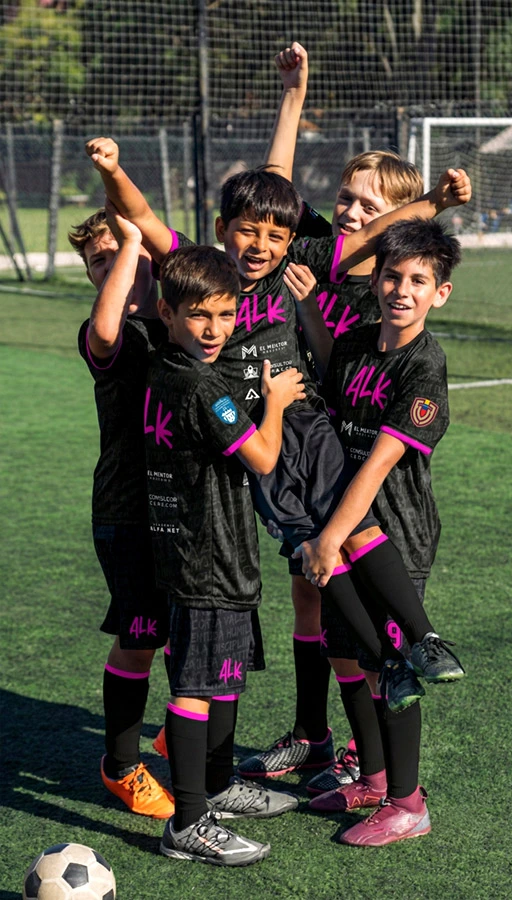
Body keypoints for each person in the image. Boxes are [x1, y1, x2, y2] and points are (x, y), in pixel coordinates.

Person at [84, 134, 469, 771]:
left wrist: (434, 201)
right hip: (256, 439)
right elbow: (144, 216)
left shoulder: (300, 256)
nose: (260, 246)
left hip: (305, 423)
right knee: (315, 552)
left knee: (351, 526)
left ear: (289, 239)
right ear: (221, 231)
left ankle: (423, 638)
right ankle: (389, 662)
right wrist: (114, 170)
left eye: (274, 235)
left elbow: (376, 235)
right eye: (247, 232)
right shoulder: (206, 271)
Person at [254, 43, 432, 793]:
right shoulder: (317, 249)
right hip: (304, 465)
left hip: (357, 481)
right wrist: (294, 98)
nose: (351, 212)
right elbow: (272, 193)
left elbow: (347, 379)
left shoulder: (383, 298)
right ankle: (313, 734)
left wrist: (438, 203)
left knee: (359, 625)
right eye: (347, 198)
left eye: (369, 206)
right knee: (310, 594)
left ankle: (372, 760)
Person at [293, 217, 463, 846]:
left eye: (419, 280)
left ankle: (408, 803)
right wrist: (308, 305)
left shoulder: (425, 366)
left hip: (395, 535)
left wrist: (328, 538)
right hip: (344, 526)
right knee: (357, 658)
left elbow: (379, 463)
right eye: (393, 276)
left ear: (440, 293)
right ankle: (373, 778)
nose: (402, 290)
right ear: (377, 280)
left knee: (393, 669)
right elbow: (331, 368)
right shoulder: (360, 342)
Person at [144, 243, 304, 865]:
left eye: (226, 314)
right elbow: (262, 459)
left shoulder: (163, 366)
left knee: (222, 675)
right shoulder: (203, 385)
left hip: (199, 548)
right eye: (199, 315)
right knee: (196, 686)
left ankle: (216, 784)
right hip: (208, 556)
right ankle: (187, 822)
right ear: (167, 312)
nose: (215, 330)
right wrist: (277, 403)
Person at [71, 203, 193, 819]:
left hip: (188, 506)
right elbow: (107, 329)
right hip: (127, 509)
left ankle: (178, 731)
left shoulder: (184, 323)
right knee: (140, 636)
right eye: (98, 259)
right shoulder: (105, 332)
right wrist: (127, 245)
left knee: (192, 625)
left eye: (127, 247)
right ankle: (120, 766)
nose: (114, 261)